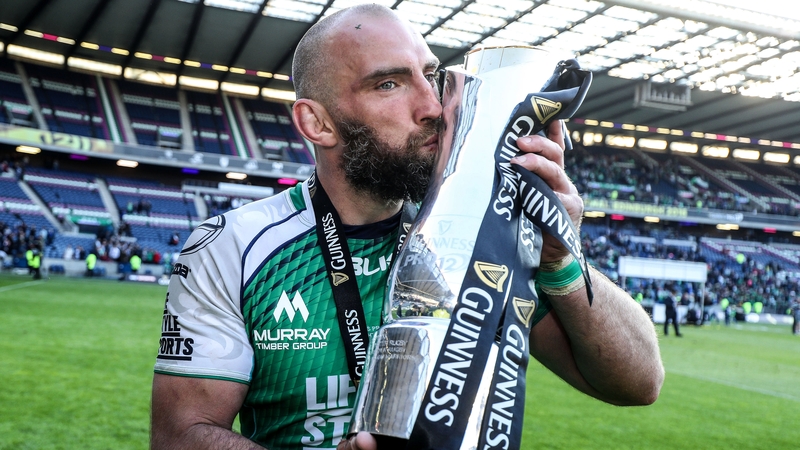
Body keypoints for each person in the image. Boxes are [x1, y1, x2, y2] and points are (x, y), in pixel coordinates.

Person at [149, 5, 664, 450]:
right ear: (317, 123)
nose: (434, 108)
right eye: (389, 84)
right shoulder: (234, 246)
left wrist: (559, 258)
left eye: (433, 77)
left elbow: (640, 382)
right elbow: (181, 434)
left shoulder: (479, 241)